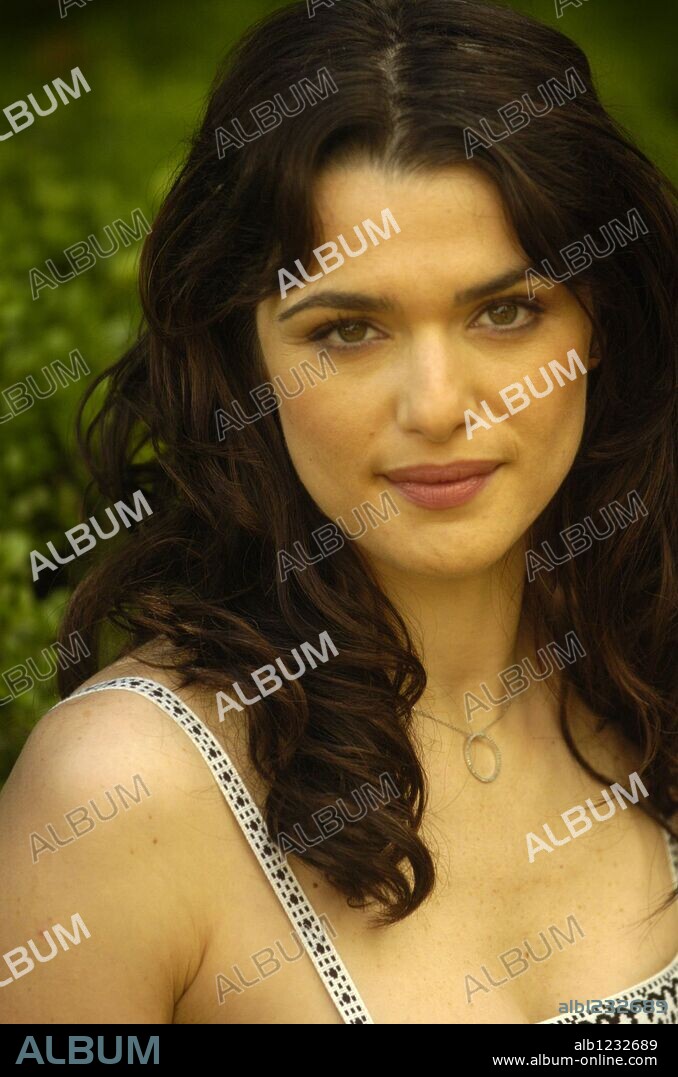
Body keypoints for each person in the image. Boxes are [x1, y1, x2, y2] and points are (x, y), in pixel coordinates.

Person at [0, 0, 676, 1025]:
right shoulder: (121, 794)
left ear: (606, 327)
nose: (443, 406)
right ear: (240, 358)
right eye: (350, 329)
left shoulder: (653, 673)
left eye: (506, 310)